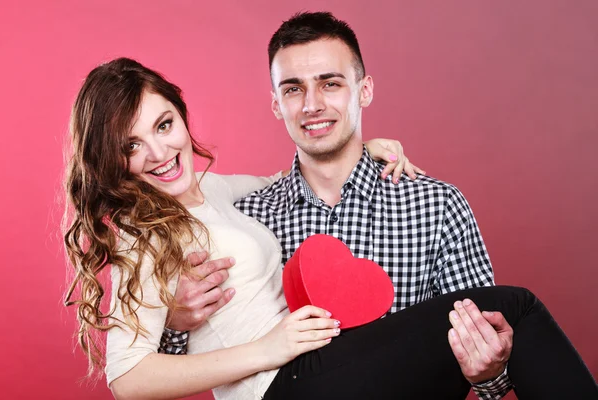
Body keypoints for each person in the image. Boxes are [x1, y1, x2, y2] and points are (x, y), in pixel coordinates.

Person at [63, 58, 597, 400]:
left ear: (182, 117)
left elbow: (287, 173)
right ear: (111, 161)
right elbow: (127, 378)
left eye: (164, 125)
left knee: (497, 322)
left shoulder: (218, 192)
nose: (159, 152)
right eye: (131, 145)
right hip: (284, 383)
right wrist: (269, 348)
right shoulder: (140, 229)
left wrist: (366, 146)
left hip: (317, 369)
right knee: (517, 308)